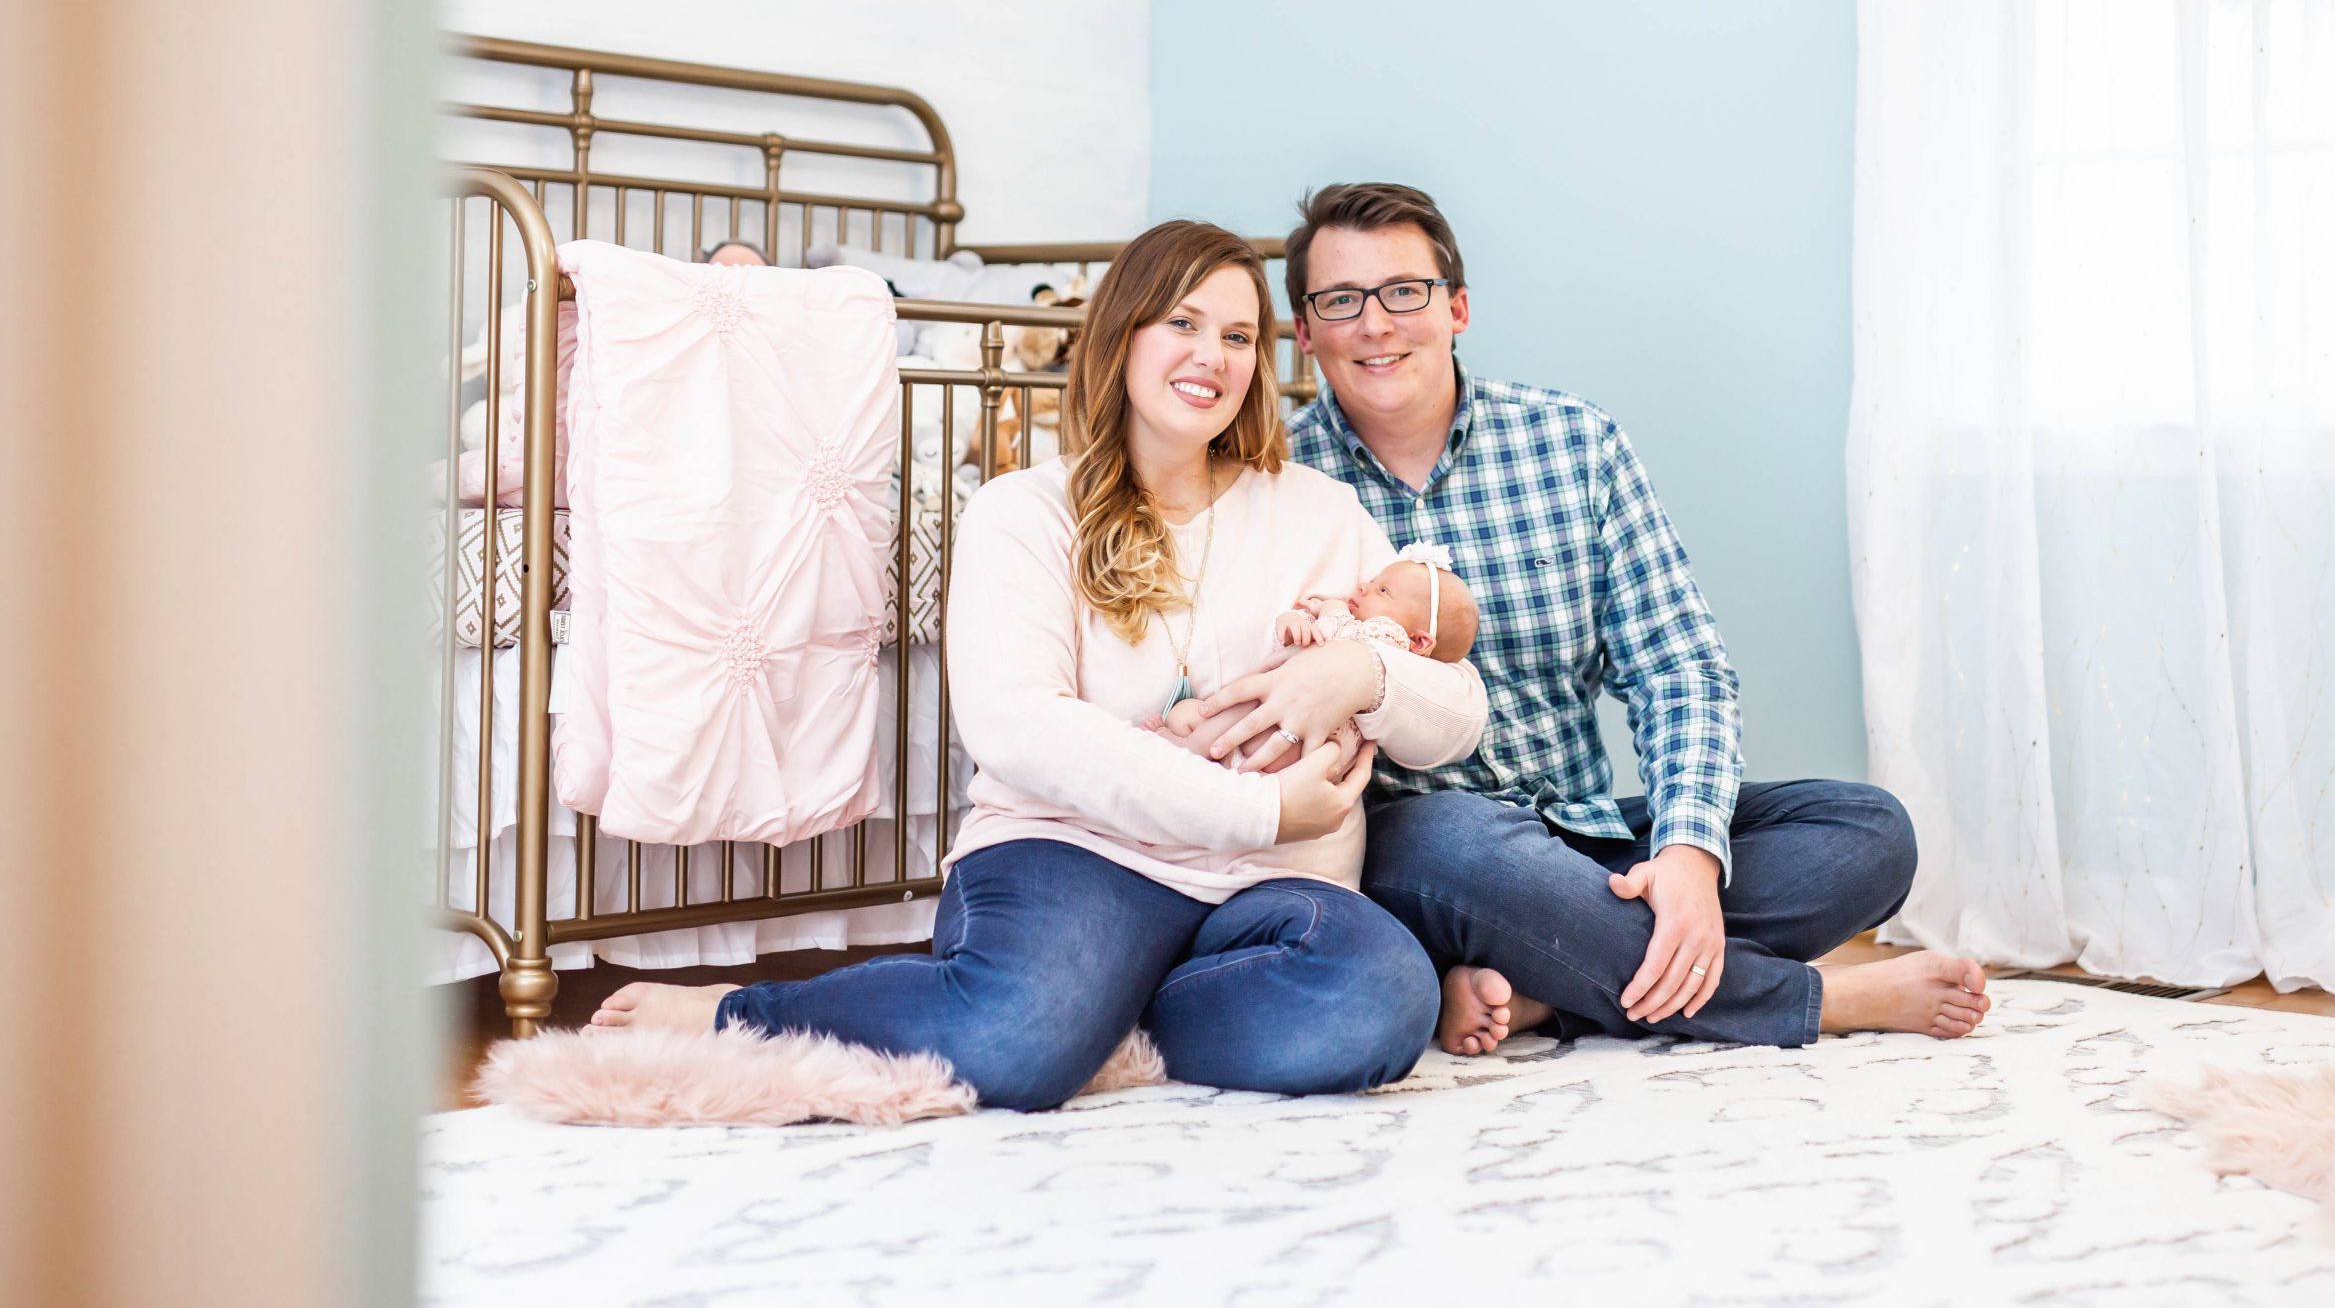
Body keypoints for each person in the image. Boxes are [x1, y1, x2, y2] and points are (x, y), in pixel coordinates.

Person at [586, 220, 1489, 1108]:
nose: (1211, 353)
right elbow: (1021, 728)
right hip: (1079, 853)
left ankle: (1102, 1023)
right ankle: (742, 1014)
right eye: (1180, 321)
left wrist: (1363, 678)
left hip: (1264, 885)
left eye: (1238, 334)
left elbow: (1458, 714)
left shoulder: (1318, 513)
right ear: (1121, 335)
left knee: (1383, 999)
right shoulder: (1024, 511)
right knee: (1011, 1040)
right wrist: (1261, 807)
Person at [1230, 182, 1989, 1057]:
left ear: (1457, 307)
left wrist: (1690, 859)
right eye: (1341, 301)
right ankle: (1804, 1000)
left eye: (1405, 291)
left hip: (1591, 837)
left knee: (1871, 834)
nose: (1376, 323)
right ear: (1304, 328)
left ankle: (1551, 988)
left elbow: (1679, 669)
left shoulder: (1575, 443)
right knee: (1454, 841)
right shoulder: (1271, 479)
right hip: (1422, 853)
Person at [1151, 549, 1482, 768]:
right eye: (1374, 581)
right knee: (1185, 713)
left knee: (1237, 712)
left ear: (1419, 640)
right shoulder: (1356, 624)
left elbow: (1335, 637)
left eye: (1383, 591)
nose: (1365, 586)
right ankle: (1193, 748)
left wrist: (1329, 609)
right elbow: (1309, 636)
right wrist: (1294, 623)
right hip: (1298, 740)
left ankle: (1185, 754)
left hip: (1305, 732)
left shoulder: (1387, 638)